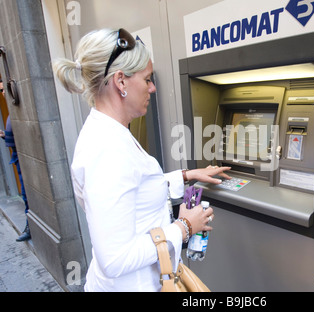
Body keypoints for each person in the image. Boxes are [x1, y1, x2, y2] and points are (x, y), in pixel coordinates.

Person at [52, 28, 231, 292]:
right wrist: (183, 226)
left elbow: (133, 188)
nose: (153, 87)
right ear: (121, 81)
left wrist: (185, 175)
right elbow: (115, 259)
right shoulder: (107, 150)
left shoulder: (110, 132)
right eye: (147, 79)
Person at [0, 77, 31, 242]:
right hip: (17, 158)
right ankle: (30, 225)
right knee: (25, 195)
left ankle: (30, 227)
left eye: (4, 89)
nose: (3, 92)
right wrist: (5, 136)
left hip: (23, 159)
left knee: (26, 195)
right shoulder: (11, 113)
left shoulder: (16, 113)